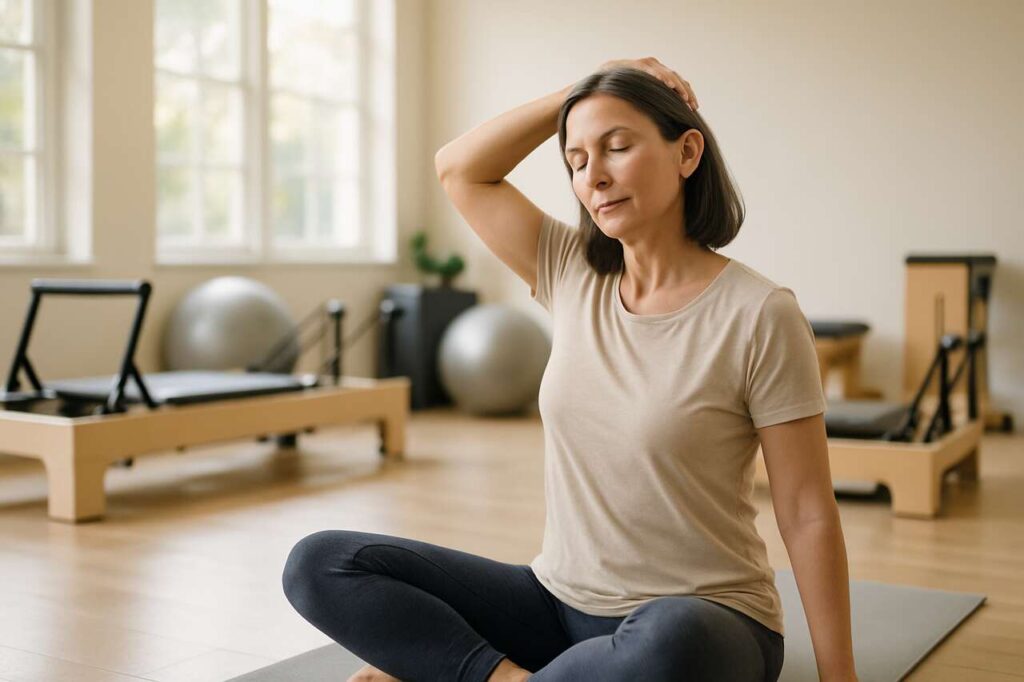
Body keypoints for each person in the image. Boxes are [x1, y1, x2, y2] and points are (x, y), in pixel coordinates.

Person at [283, 57, 859, 682]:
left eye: (617, 147)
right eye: (577, 161)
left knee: (672, 640)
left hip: (705, 621)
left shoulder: (761, 313)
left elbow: (806, 510)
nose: (595, 177)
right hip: (556, 606)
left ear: (687, 152)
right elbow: (459, 168)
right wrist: (581, 90)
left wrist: (841, 678)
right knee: (320, 564)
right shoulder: (570, 269)